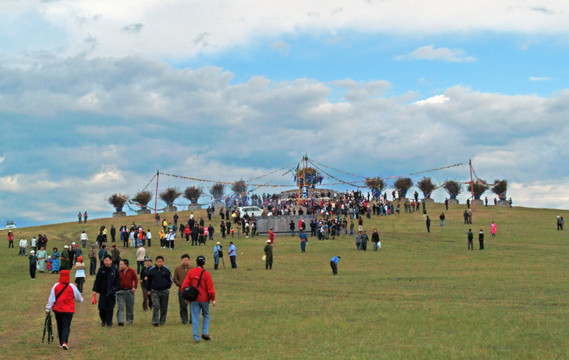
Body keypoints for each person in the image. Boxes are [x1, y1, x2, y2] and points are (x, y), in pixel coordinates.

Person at [45, 270, 83, 350]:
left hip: (58, 309)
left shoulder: (56, 286)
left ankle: (61, 342)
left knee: (60, 325)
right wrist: (81, 300)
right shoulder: (72, 286)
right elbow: (78, 297)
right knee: (66, 325)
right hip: (69, 310)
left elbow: (51, 298)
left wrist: (48, 308)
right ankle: (65, 342)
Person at [181, 255, 216, 343]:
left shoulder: (191, 272)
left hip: (194, 299)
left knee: (195, 317)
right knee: (206, 315)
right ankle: (205, 332)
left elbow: (184, 286)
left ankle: (196, 337)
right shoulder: (206, 273)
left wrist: (185, 296)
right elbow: (210, 288)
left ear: (196, 263)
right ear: (204, 263)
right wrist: (213, 298)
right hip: (204, 299)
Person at [92, 255, 120, 327]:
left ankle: (109, 322)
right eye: (105, 260)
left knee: (110, 308)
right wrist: (95, 289)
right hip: (103, 292)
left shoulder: (115, 270)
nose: (106, 262)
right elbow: (97, 280)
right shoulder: (101, 269)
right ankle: (103, 320)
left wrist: (115, 289)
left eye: (107, 260)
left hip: (111, 292)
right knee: (101, 308)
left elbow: (118, 281)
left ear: (111, 261)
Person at [147, 255, 173, 326]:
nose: (159, 263)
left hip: (164, 291)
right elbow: (149, 281)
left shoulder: (166, 269)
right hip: (155, 291)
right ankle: (155, 321)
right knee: (156, 306)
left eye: (161, 262)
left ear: (163, 262)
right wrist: (148, 290)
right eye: (158, 262)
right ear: (156, 262)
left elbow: (170, 279)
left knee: (164, 307)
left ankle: (162, 321)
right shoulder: (151, 270)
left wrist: (168, 286)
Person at [116, 259, 138, 326]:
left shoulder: (131, 271)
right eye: (120, 264)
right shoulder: (118, 272)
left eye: (121, 264)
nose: (120, 265)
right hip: (120, 292)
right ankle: (120, 321)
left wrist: (134, 287)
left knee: (129, 307)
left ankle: (129, 321)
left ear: (126, 265)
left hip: (129, 291)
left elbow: (136, 279)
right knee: (120, 306)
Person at [173, 254, 193, 324]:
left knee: (192, 305)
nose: (185, 261)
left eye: (187, 260)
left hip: (191, 290)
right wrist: (181, 285)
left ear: (189, 260)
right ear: (181, 260)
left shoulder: (192, 268)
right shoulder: (177, 269)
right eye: (184, 260)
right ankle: (184, 320)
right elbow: (175, 279)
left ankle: (192, 319)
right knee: (182, 305)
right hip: (181, 290)